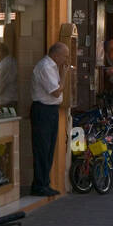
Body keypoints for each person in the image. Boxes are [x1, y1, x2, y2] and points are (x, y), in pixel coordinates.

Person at [29, 42, 68, 197]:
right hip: (43, 110)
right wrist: (64, 76)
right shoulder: (45, 67)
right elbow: (56, 92)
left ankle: (45, 182)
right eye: (65, 55)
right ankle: (39, 184)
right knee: (42, 148)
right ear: (56, 54)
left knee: (49, 148)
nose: (66, 59)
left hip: (51, 110)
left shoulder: (52, 67)